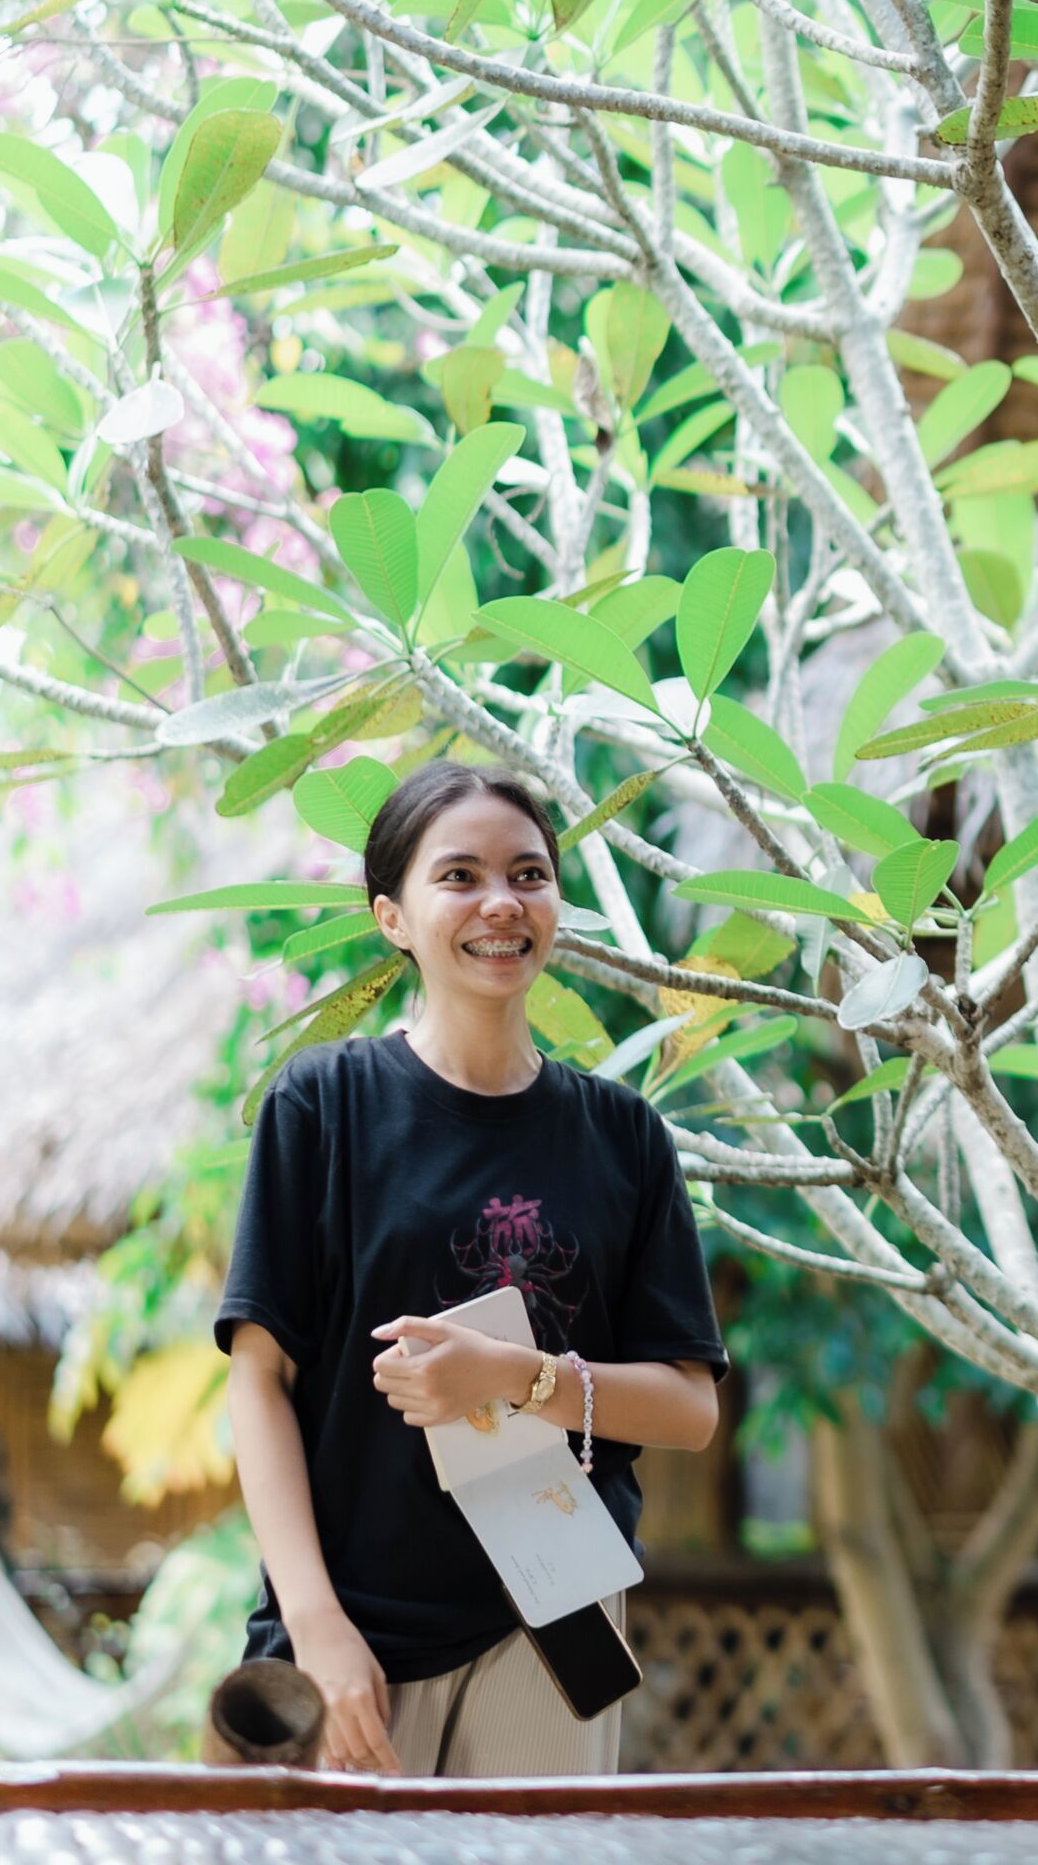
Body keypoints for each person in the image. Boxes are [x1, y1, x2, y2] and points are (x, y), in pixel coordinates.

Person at [220, 761, 727, 1776]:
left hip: (552, 1618)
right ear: (393, 916)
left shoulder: (622, 1133)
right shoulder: (325, 1105)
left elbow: (688, 1408)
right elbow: (258, 1380)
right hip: (353, 1627)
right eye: (458, 875)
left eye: (529, 873)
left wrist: (514, 1378)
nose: (501, 901)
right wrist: (316, 1624)